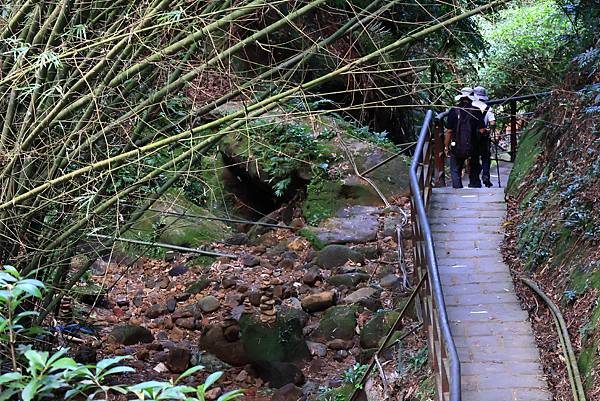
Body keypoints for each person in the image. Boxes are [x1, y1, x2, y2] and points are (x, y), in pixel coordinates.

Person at [444, 87, 485, 189]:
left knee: (455, 167)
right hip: (473, 145)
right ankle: (474, 184)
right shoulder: (476, 110)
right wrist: (477, 139)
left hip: (456, 145)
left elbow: (449, 131)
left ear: (460, 97)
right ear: (472, 98)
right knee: (474, 165)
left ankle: (457, 188)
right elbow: (482, 129)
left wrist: (446, 146)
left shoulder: (453, 111)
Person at [472, 86, 496, 187]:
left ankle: (475, 179)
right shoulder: (488, 108)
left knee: (474, 157)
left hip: (471, 136)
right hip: (484, 136)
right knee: (485, 157)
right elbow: (492, 122)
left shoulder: (471, 106)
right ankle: (486, 175)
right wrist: (490, 128)